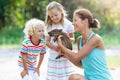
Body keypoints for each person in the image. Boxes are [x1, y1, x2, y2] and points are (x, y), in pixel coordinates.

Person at [57, 8, 113, 80]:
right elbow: (82, 64)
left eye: (75, 20)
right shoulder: (79, 40)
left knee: (73, 77)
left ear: (85, 21)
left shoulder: (96, 39)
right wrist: (67, 56)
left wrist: (62, 46)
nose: (73, 23)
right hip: (89, 78)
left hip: (102, 78)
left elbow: (76, 56)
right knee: (73, 77)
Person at [45, 1, 75, 80]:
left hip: (65, 55)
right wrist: (55, 48)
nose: (54, 18)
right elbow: (47, 41)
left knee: (65, 76)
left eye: (56, 15)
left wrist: (64, 44)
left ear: (61, 11)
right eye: (51, 16)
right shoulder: (49, 25)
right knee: (53, 76)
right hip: (53, 55)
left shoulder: (68, 24)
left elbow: (72, 38)